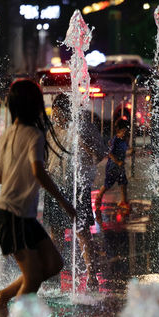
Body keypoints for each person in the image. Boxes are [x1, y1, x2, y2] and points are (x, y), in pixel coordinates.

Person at [0, 79, 76, 317]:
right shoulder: (34, 134)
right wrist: (65, 202)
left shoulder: (6, 135)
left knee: (54, 264)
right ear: (34, 105)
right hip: (13, 213)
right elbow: (38, 171)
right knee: (33, 277)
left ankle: (0, 298)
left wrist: (14, 163)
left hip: (20, 214)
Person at [44, 94, 104, 288]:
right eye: (54, 112)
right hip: (56, 187)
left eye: (58, 112)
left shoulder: (84, 129)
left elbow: (99, 154)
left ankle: (92, 274)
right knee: (56, 232)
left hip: (77, 187)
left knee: (82, 231)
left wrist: (80, 140)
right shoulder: (50, 133)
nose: (55, 116)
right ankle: (54, 273)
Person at [95, 119, 131, 222]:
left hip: (120, 167)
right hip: (112, 167)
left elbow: (124, 151)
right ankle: (99, 197)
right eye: (124, 131)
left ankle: (124, 202)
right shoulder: (115, 140)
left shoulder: (124, 140)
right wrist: (117, 162)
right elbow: (109, 153)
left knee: (123, 183)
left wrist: (129, 151)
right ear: (118, 130)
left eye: (127, 131)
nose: (126, 133)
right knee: (108, 184)